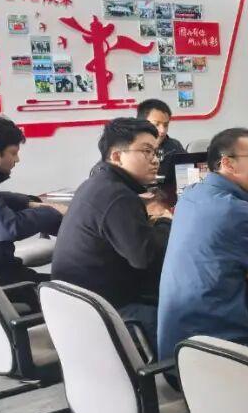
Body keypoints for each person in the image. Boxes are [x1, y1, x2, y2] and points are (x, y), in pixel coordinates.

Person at [157, 128, 248, 369]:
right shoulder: (232, 211)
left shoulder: (191, 195)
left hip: (179, 353)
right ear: (228, 164)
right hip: (219, 360)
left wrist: (247, 261)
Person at [52, 118, 172, 349]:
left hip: (78, 306)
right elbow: (145, 258)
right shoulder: (117, 196)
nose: (155, 160)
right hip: (109, 312)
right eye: (146, 151)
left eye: (156, 152)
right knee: (190, 310)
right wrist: (164, 222)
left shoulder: (97, 184)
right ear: (117, 156)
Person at [0, 115, 64, 284]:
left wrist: (28, 202)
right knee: (79, 288)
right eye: (13, 153)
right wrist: (51, 212)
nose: (17, 159)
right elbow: (8, 228)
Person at [137, 98, 185, 178]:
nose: (162, 130)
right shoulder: (130, 149)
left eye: (166, 125)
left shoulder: (174, 146)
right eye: (156, 124)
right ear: (141, 124)